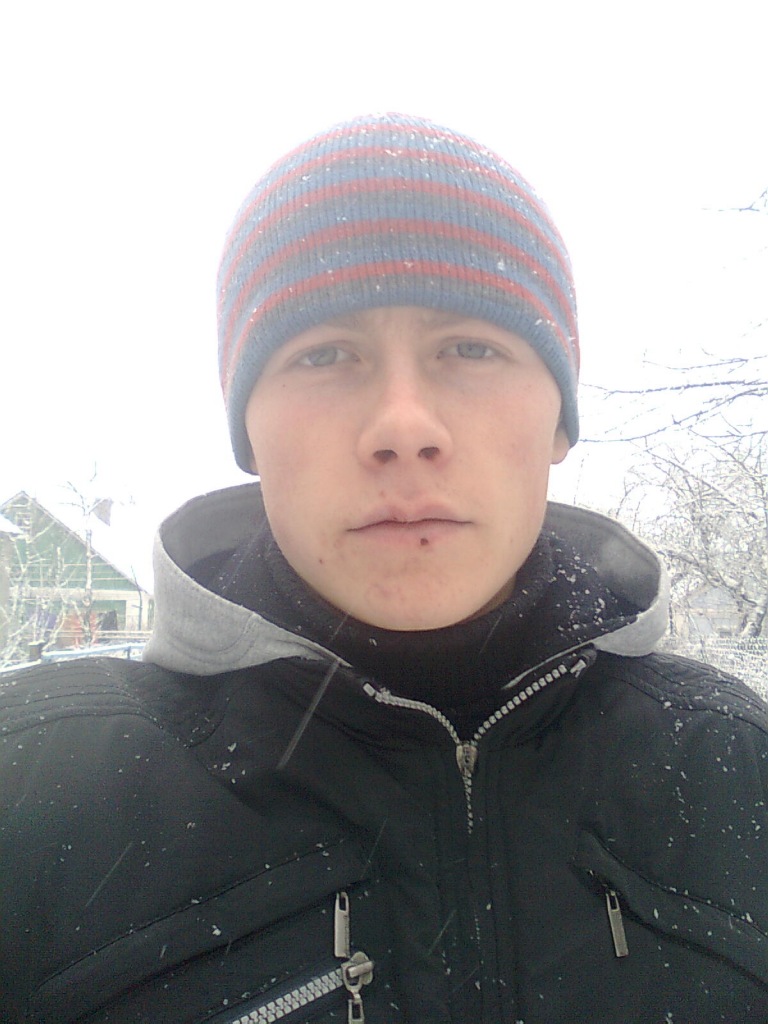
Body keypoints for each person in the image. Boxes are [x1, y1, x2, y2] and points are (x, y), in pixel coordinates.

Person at [1, 113, 766, 1024]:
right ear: (249, 431)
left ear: (560, 420)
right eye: (324, 354)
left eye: (471, 348)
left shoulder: (736, 766)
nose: (404, 426)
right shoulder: (31, 787)